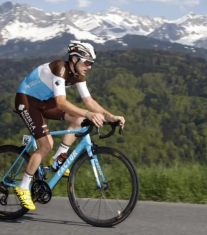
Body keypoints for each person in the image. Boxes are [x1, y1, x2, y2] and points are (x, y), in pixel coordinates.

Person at [13, 40, 125, 211]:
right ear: (74, 59)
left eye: (92, 63)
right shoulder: (60, 68)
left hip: (42, 101)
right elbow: (61, 103)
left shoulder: (78, 74)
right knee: (46, 144)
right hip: (26, 100)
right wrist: (89, 114)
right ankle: (23, 186)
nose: (90, 66)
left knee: (78, 120)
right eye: (87, 62)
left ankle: (59, 159)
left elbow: (88, 101)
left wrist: (110, 116)